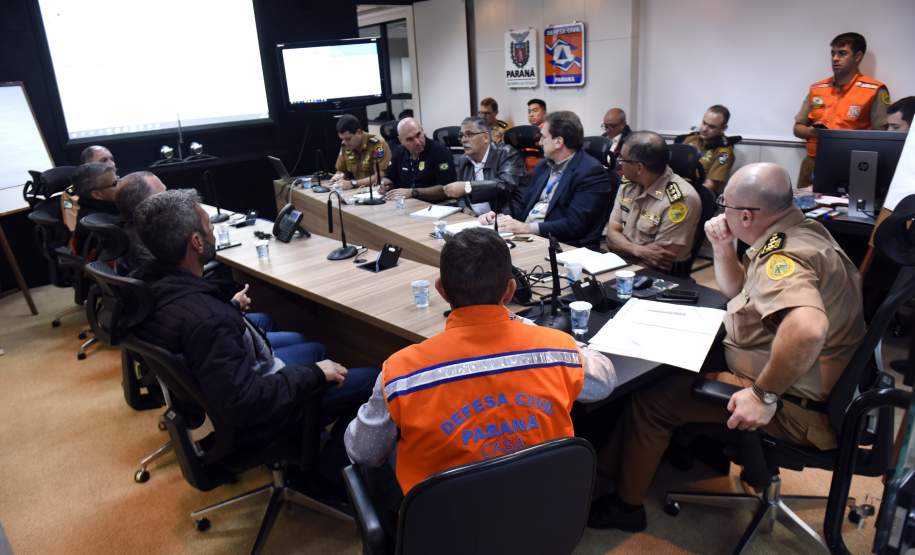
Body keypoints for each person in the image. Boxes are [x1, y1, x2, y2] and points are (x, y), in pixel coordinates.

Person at [589, 163, 866, 532]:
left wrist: (762, 395)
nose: (721, 212)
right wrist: (723, 245)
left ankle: (626, 507)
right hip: (812, 380)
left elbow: (807, 328)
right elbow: (740, 293)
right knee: (676, 368)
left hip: (798, 405)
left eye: (726, 206)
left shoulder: (784, 257)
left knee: (651, 401)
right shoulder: (797, 231)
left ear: (747, 215)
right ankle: (610, 467)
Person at [133, 189, 379, 490]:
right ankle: (327, 476)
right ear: (196, 242)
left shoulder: (148, 287)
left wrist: (229, 308)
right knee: (376, 381)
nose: (212, 231)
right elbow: (245, 402)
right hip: (253, 424)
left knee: (315, 347)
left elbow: (200, 331)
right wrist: (314, 374)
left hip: (213, 404)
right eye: (208, 226)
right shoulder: (208, 321)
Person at [345, 227, 616, 497]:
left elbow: (362, 452)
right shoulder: (559, 351)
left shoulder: (400, 374)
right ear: (510, 291)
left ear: (441, 290)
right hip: (543, 515)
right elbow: (604, 382)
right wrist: (536, 328)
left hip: (446, 527)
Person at [478, 110, 612, 249]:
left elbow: (575, 225)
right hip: (528, 238)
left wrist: (527, 228)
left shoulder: (590, 172)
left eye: (543, 137)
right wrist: (501, 217)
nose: (539, 142)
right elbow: (523, 202)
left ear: (558, 142)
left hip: (562, 246)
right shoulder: (544, 165)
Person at [793, 32, 890, 188]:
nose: (835, 58)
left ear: (857, 56)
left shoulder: (873, 90)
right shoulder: (817, 89)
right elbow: (797, 128)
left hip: (852, 165)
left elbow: (882, 137)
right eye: (833, 53)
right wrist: (813, 132)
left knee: (844, 211)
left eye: (842, 53)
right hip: (813, 163)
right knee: (804, 209)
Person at [605, 131, 702, 273]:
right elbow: (611, 233)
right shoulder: (628, 183)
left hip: (657, 274)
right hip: (623, 262)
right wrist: (639, 250)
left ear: (639, 168)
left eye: (622, 159)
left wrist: (618, 275)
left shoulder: (681, 199)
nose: (619, 164)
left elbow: (659, 259)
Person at [443, 116, 525, 216]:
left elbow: (505, 185)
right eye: (462, 136)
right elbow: (460, 196)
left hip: (502, 218)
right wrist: (465, 208)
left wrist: (468, 187)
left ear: (485, 137)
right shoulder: (463, 160)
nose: (463, 140)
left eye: (469, 134)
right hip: (474, 220)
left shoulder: (507, 154)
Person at [381, 117, 457, 202]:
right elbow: (389, 177)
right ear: (401, 140)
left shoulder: (439, 151)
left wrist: (413, 192)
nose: (417, 142)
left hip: (435, 205)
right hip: (407, 204)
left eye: (418, 135)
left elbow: (446, 188)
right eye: (410, 139)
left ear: (422, 130)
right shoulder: (399, 152)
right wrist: (385, 184)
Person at [115, 171, 167, 273]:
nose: (171, 199)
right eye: (164, 197)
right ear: (145, 206)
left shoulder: (133, 230)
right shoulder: (150, 247)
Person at [680, 105, 736, 193]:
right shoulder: (690, 139)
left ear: (723, 128)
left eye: (711, 127)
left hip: (696, 196)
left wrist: (683, 193)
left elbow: (710, 186)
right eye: (704, 123)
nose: (704, 129)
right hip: (675, 188)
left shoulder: (724, 153)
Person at [330, 114, 392, 190]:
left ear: (359, 132)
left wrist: (353, 183)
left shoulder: (378, 145)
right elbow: (341, 170)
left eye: (348, 139)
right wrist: (338, 177)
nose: (345, 142)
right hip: (356, 191)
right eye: (342, 139)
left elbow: (379, 177)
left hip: (376, 191)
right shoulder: (345, 146)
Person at [71, 162, 121, 254]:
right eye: (115, 183)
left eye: (119, 179)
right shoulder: (103, 225)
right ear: (97, 194)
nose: (121, 185)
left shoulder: (106, 206)